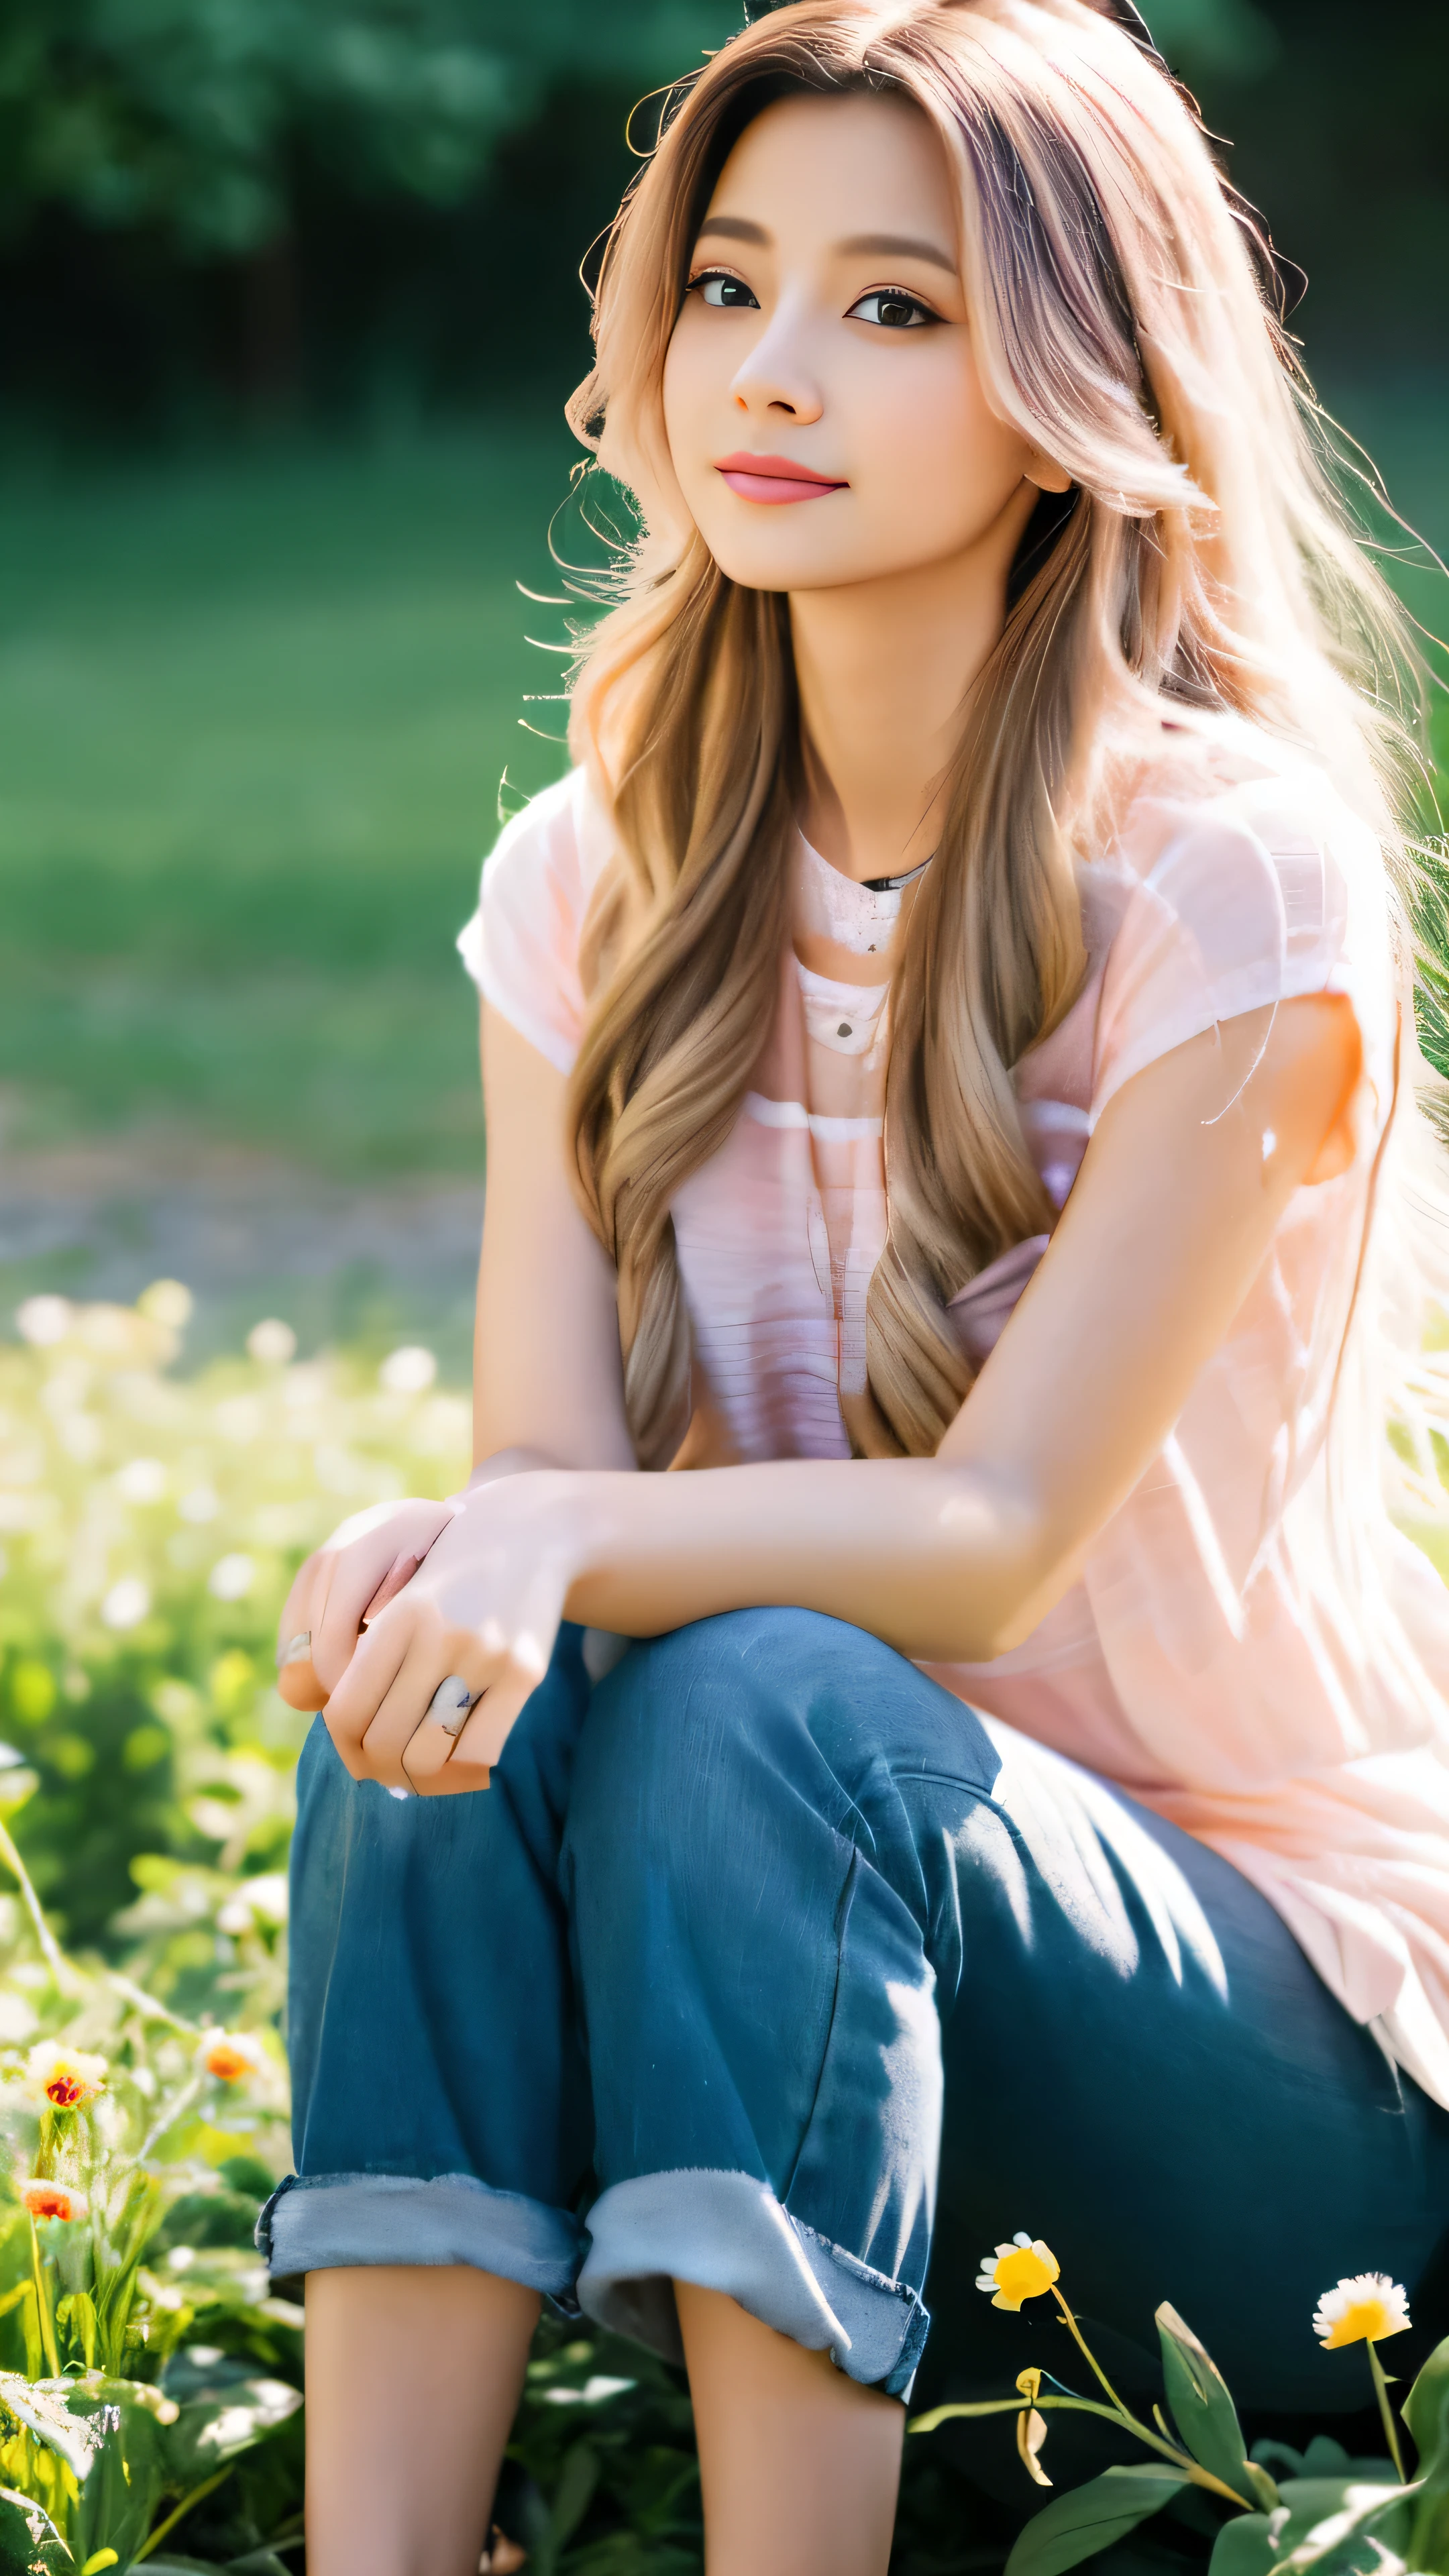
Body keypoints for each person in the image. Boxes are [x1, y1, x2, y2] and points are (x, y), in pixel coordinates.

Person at [265, 4, 1449, 2569]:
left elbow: (995, 1535)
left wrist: (550, 1539)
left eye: (895, 309)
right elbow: (535, 1508)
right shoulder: (591, 884)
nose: (771, 375)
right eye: (728, 285)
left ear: (1071, 385)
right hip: (767, 2041)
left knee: (757, 1681)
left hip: (1272, 2127)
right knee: (434, 1678)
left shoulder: (1228, 875)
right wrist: (465, 1563)